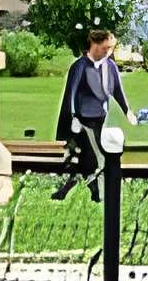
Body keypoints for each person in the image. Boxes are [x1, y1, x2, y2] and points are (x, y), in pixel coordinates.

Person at [54, 28, 128, 201]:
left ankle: (75, 186)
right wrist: (73, 116)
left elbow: (116, 90)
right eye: (107, 47)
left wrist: (127, 111)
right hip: (82, 119)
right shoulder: (80, 66)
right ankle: (96, 190)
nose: (109, 51)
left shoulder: (108, 66)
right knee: (93, 155)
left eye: (111, 48)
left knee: (85, 156)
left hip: (98, 117)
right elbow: (71, 93)